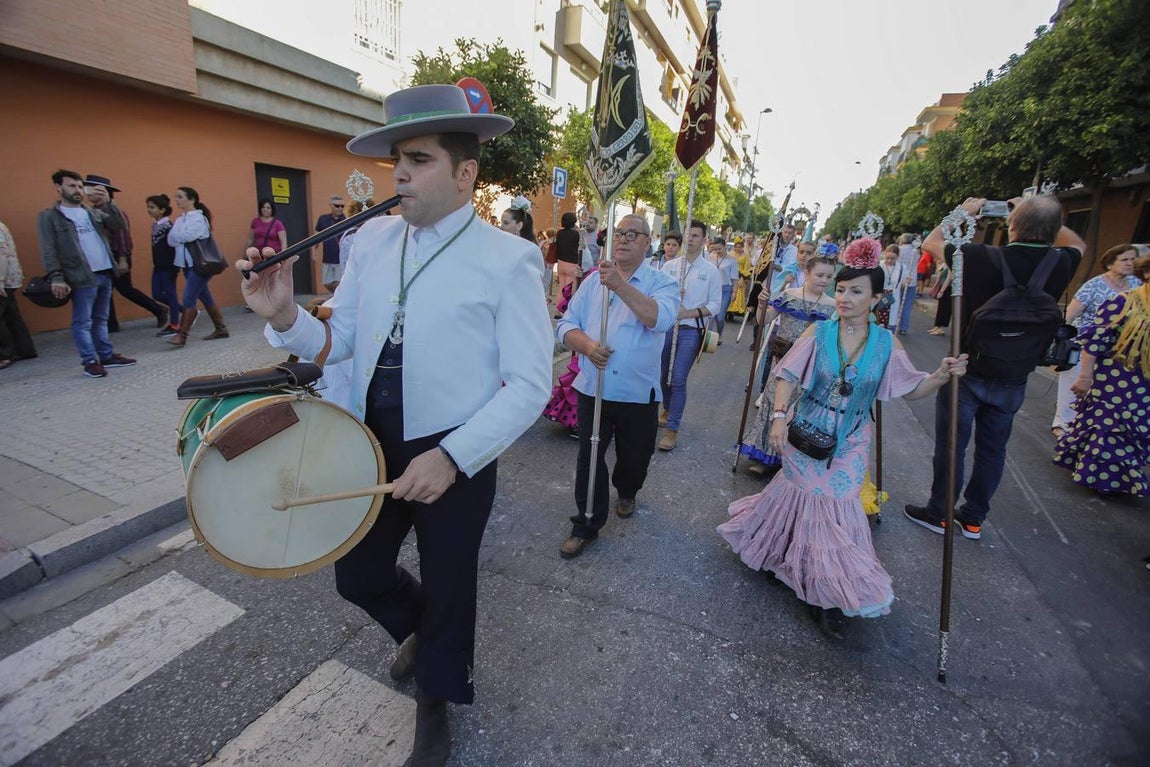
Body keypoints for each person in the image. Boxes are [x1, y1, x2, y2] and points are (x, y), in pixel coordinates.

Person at [238, 83, 553, 767]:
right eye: (395, 162)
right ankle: (425, 633)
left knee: (449, 578)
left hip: (455, 447)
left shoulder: (510, 260)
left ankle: (436, 699)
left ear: (466, 173)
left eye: (418, 159)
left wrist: (453, 458)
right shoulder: (372, 239)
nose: (401, 174)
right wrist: (285, 316)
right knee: (358, 573)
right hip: (368, 437)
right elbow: (340, 340)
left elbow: (532, 383)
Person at [718, 239, 967, 638]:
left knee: (835, 506)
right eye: (841, 289)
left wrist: (939, 376)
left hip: (850, 440)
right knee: (805, 497)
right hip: (806, 431)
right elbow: (786, 374)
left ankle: (827, 591)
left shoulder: (886, 343)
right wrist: (779, 419)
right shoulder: (819, 333)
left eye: (855, 291)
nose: (844, 297)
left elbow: (909, 388)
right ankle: (791, 562)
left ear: (877, 298)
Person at [905, 196, 1085, 540]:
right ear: (1051, 229)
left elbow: (931, 242)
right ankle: (973, 518)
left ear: (1012, 226)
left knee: (952, 445)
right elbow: (1077, 242)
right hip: (1014, 376)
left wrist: (963, 213)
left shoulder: (978, 256)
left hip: (967, 369)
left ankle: (939, 512)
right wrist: (1035, 210)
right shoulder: (1060, 261)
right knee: (993, 449)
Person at [555, 214, 678, 558]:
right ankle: (586, 522)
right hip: (593, 388)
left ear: (647, 241)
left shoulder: (660, 283)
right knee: (589, 456)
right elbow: (565, 324)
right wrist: (588, 347)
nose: (622, 239)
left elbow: (659, 319)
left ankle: (627, 489)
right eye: (618, 233)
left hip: (638, 394)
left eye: (632, 234)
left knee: (634, 459)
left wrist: (620, 286)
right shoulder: (593, 281)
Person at [1053, 253, 1150, 496]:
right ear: (1147, 273)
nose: (1127, 262)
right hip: (1115, 378)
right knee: (1108, 426)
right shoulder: (1122, 302)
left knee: (1134, 428)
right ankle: (1102, 478)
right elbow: (1094, 342)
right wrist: (1084, 376)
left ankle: (1114, 475)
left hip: (1144, 382)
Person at [740, 254, 836, 476]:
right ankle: (765, 455)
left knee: (802, 410)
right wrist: (761, 304)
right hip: (784, 362)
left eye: (829, 276)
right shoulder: (789, 295)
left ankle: (791, 460)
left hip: (813, 367)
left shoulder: (833, 307)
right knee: (774, 404)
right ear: (807, 273)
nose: (824, 280)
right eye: (820, 274)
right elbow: (763, 320)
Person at [37, 169, 136, 378]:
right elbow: (48, 250)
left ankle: (106, 356)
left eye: (80, 186)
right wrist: (56, 277)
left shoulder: (91, 212)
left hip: (104, 271)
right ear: (58, 187)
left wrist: (108, 202)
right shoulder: (50, 217)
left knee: (101, 318)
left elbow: (118, 224)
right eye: (72, 186)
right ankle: (90, 361)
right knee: (83, 321)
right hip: (80, 276)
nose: (78, 190)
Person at [1050, 244, 1142, 436]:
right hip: (1084, 344)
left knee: (1098, 390)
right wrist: (1058, 339)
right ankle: (1062, 424)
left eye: (1133, 259)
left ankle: (1086, 427)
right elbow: (1071, 314)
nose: (1130, 263)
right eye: (1124, 259)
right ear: (1110, 263)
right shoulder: (1094, 285)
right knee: (1073, 384)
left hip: (1117, 349)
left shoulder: (1136, 285)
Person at [658, 219, 722, 451]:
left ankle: (672, 429)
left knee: (678, 378)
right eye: (689, 235)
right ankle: (667, 407)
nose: (691, 239)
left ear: (704, 239)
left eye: (696, 235)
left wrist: (690, 312)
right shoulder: (670, 266)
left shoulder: (711, 271)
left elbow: (715, 304)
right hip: (667, 327)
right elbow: (657, 293)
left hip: (691, 329)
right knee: (661, 374)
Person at [83, 175, 168, 333]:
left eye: (91, 189)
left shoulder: (113, 212)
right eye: (86, 189)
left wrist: (123, 260)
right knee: (104, 289)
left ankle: (158, 309)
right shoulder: (91, 211)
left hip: (118, 255)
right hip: (102, 257)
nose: (88, 193)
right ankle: (110, 323)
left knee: (125, 289)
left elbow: (122, 236)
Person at [167, 186, 228, 345]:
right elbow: (171, 239)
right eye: (176, 197)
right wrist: (180, 237)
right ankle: (221, 329)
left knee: (189, 298)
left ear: (192, 199)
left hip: (201, 265)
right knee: (205, 296)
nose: (177, 200)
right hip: (186, 264)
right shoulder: (180, 219)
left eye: (180, 197)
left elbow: (188, 236)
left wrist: (179, 236)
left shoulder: (199, 218)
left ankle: (182, 335)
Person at [0, 221, 37, 368]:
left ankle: (5, 354)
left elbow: (1, 254)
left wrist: (0, 280)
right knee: (11, 315)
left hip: (4, 278)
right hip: (9, 278)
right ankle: (25, 349)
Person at [146, 194, 182, 337]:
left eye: (152, 207)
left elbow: (175, 247)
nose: (149, 210)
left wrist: (175, 266)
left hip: (169, 266)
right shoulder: (155, 225)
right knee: (156, 293)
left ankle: (175, 324)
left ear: (162, 209)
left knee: (170, 294)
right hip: (159, 266)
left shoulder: (169, 227)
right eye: (148, 207)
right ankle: (184, 310)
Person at [314, 194, 347, 292]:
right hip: (327, 257)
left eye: (342, 206)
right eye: (337, 206)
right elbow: (316, 236)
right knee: (326, 282)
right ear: (331, 205)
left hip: (340, 258)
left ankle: (336, 299)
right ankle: (336, 297)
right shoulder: (323, 219)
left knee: (338, 283)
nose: (340, 208)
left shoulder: (346, 219)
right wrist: (314, 251)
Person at [709, 236, 738, 337]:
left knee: (720, 317)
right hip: (712, 289)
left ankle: (719, 334)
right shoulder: (711, 257)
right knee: (710, 316)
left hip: (725, 289)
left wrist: (734, 292)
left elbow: (734, 278)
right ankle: (707, 338)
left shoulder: (732, 260)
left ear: (725, 246)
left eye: (719, 248)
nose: (717, 251)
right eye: (715, 249)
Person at [892, 233, 919, 335]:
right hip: (912, 280)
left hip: (900, 278)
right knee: (907, 305)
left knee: (897, 303)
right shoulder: (916, 251)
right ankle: (903, 327)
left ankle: (895, 324)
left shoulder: (900, 250)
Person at [876, 243, 906, 329]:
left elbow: (903, 282)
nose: (889, 260)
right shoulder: (879, 265)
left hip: (892, 296)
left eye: (892, 258)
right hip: (880, 294)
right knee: (877, 317)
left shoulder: (901, 268)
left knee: (889, 320)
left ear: (897, 257)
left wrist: (906, 280)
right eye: (887, 258)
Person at [555, 211, 582, 297]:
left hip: (561, 262)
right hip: (572, 263)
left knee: (561, 287)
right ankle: (567, 308)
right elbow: (581, 246)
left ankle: (559, 307)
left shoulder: (559, 233)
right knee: (570, 289)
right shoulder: (576, 234)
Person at [768, 224, 798, 297]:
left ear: (793, 235)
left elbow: (790, 268)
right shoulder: (774, 246)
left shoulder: (794, 250)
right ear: (781, 232)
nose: (787, 235)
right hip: (768, 280)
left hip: (781, 284)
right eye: (785, 232)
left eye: (790, 233)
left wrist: (774, 266)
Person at [926, 253, 952, 335]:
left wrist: (942, 291)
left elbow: (948, 279)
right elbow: (939, 274)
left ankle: (940, 328)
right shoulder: (945, 265)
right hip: (942, 287)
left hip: (947, 289)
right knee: (940, 308)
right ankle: (936, 326)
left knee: (944, 309)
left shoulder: (951, 266)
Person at [729, 239, 751, 315]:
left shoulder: (746, 256)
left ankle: (735, 309)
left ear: (742, 247)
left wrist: (743, 278)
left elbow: (747, 268)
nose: (737, 249)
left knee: (738, 292)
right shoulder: (731, 254)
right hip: (730, 276)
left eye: (739, 247)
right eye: (736, 247)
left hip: (740, 276)